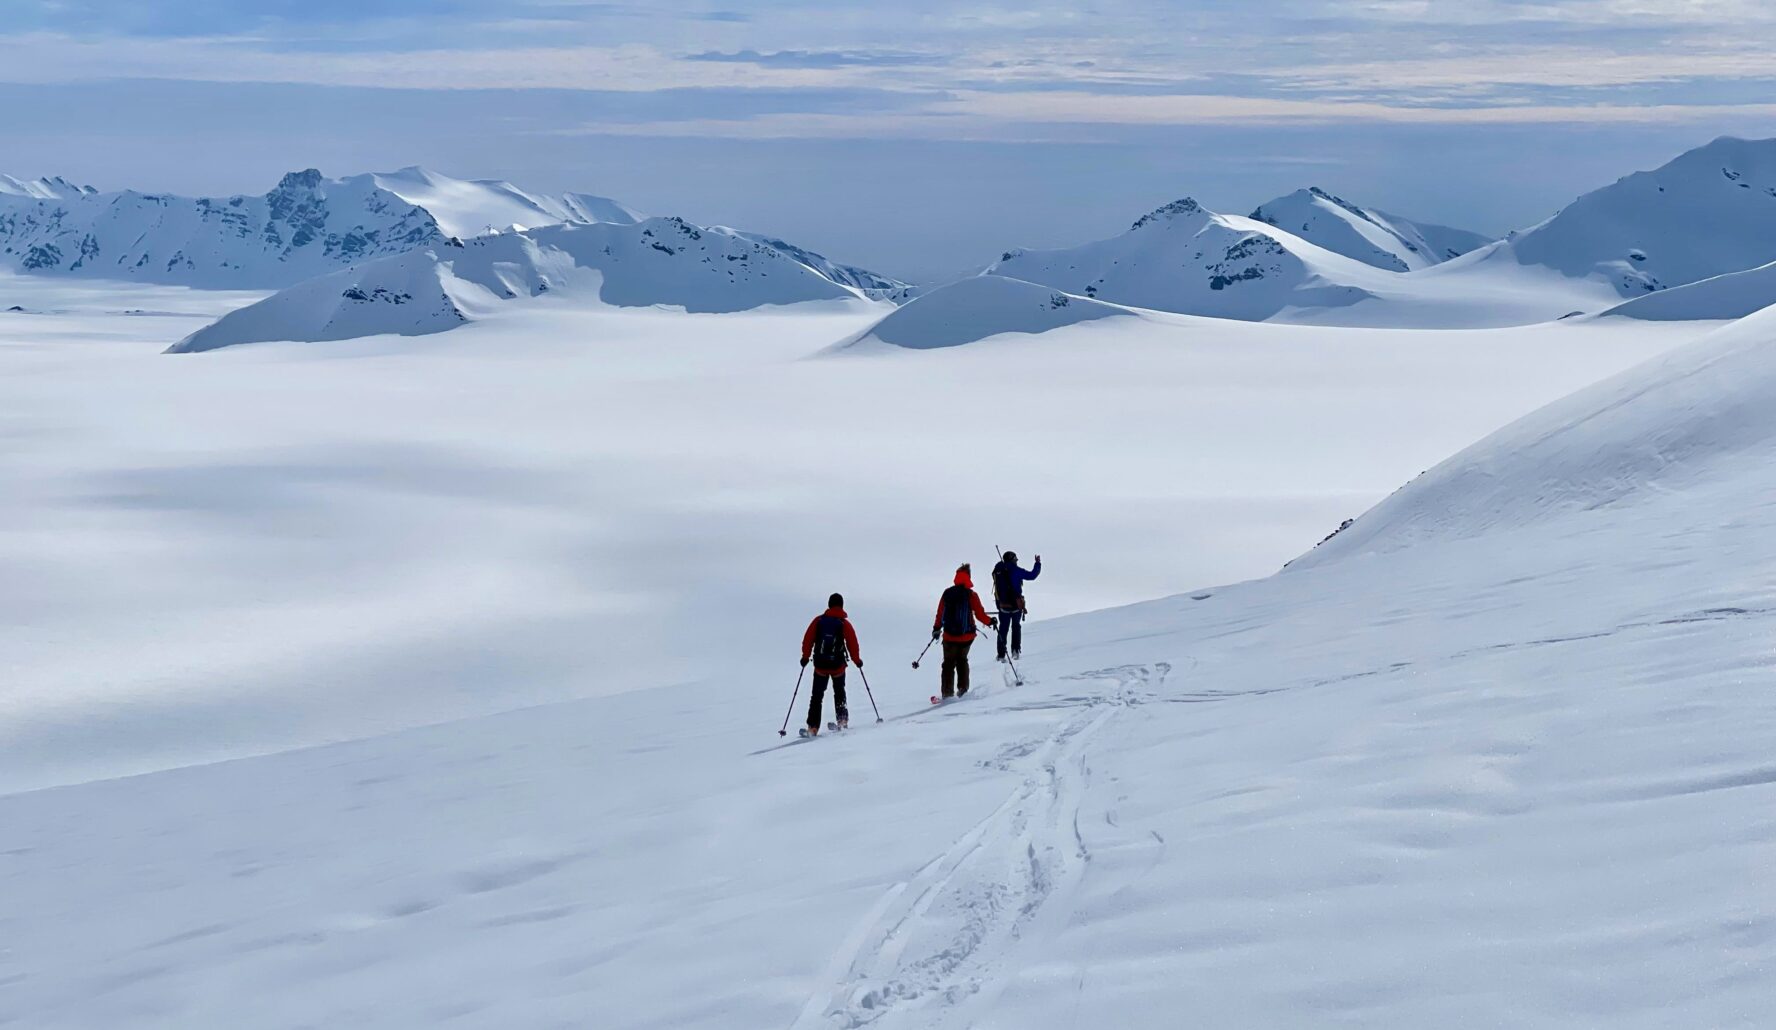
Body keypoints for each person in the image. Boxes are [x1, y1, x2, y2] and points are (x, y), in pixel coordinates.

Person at [800, 593, 861, 735]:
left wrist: (805, 657)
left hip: (820, 666)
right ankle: (842, 721)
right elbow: (852, 643)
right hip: (838, 666)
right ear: (841, 605)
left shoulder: (819, 621)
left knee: (816, 696)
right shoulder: (843, 623)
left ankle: (813, 727)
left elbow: (808, 639)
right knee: (839, 693)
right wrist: (857, 660)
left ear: (828, 605)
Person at [932, 564, 995, 699]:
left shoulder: (947, 593)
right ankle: (963, 690)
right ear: (969, 577)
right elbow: (980, 615)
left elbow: (940, 613)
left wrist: (936, 628)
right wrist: (991, 622)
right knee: (962, 661)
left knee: (948, 664)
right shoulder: (972, 595)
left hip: (949, 636)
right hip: (967, 637)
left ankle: (947, 693)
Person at [991, 551, 1042, 661]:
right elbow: (1032, 575)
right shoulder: (1016, 570)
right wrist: (1037, 563)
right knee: (1016, 627)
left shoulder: (998, 570)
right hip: (1016, 606)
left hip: (1003, 606)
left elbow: (997, 589)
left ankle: (1001, 654)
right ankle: (1015, 650)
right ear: (1012, 560)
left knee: (1003, 629)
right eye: (1015, 559)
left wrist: (998, 606)